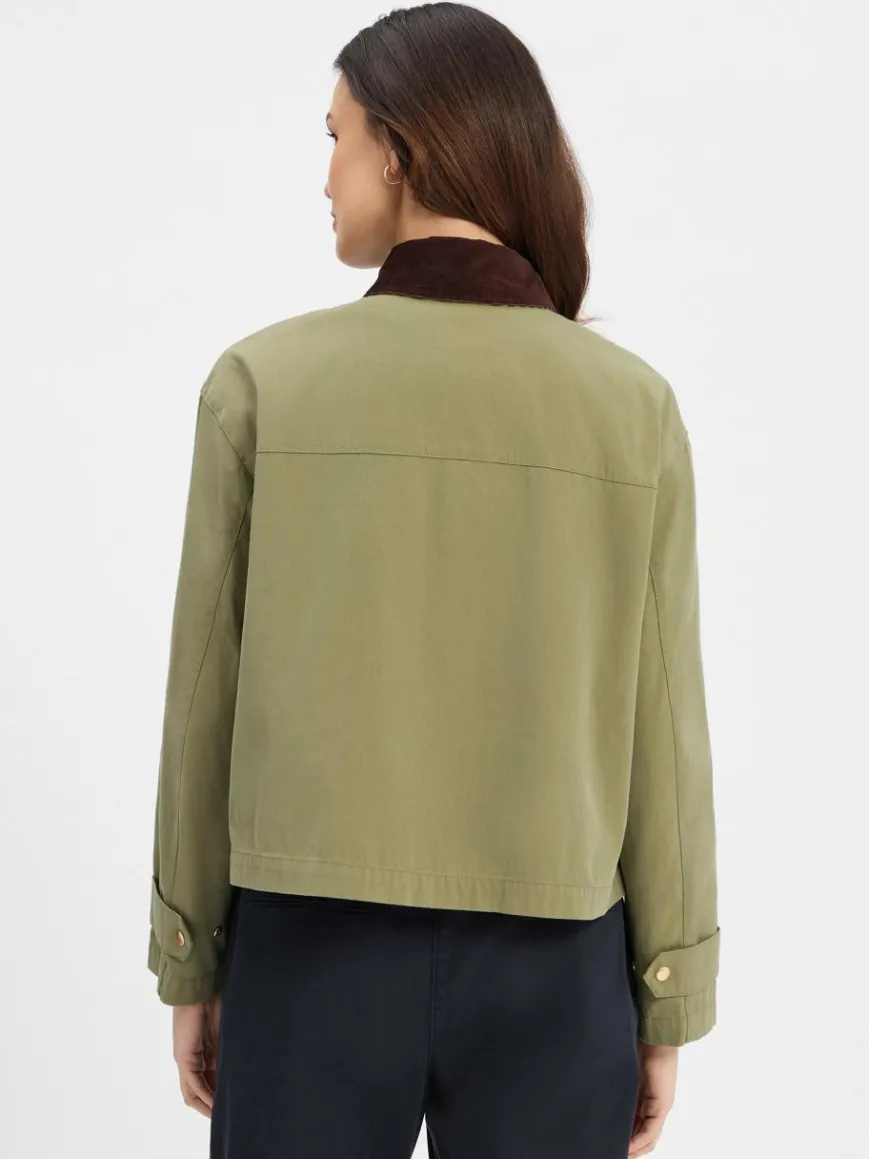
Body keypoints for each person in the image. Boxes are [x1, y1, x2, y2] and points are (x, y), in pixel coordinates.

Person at [146, 4, 721, 1156]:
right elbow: (663, 723)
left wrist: (190, 954)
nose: (324, 174)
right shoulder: (628, 408)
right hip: (557, 959)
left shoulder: (263, 384)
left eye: (336, 137)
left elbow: (204, 697)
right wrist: (667, 991)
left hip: (306, 950)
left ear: (401, 149)